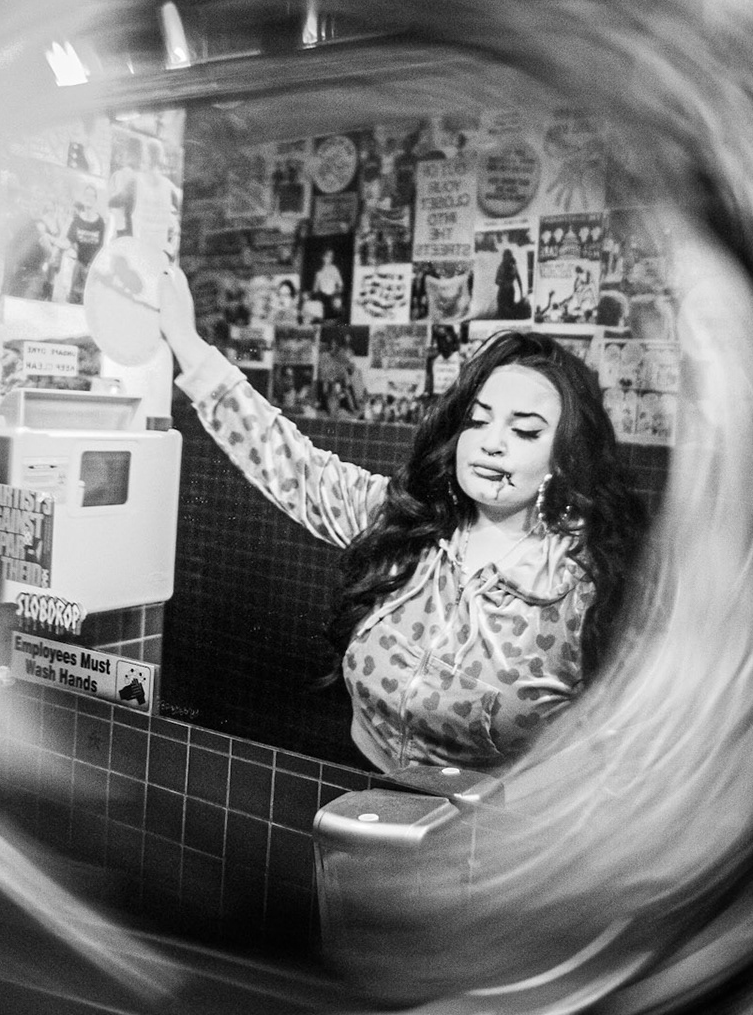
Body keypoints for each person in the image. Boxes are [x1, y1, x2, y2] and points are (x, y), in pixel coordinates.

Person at [159, 265, 646, 771]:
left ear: (564, 457)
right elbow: (293, 465)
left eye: (524, 431)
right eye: (478, 420)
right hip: (362, 785)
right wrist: (186, 342)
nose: (491, 443)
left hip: (491, 815)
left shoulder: (584, 582)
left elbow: (620, 749)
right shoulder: (407, 524)